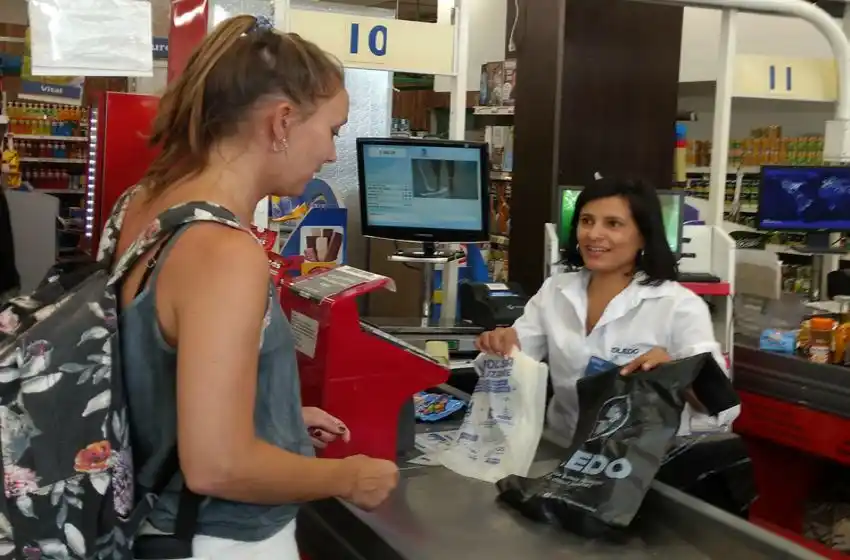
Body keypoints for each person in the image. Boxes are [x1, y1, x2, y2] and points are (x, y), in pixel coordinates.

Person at [109, 15, 398, 560]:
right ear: (283, 122)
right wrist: (347, 477)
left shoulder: (145, 204)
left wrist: (276, 412)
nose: (332, 155)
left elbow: (154, 368)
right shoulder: (223, 250)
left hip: (149, 522)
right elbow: (218, 464)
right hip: (215, 539)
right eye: (333, 131)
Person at [476, 179, 748, 511]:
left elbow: (722, 408)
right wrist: (500, 346)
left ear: (643, 235)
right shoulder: (556, 291)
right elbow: (513, 365)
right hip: (560, 455)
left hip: (642, 475)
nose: (593, 234)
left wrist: (676, 372)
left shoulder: (678, 305)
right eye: (587, 221)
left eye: (613, 224)